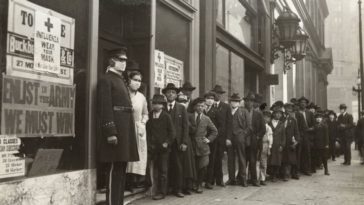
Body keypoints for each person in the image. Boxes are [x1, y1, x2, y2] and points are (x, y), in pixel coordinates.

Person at [97, 48, 139, 205]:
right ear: (111, 60)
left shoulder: (120, 80)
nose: (124, 63)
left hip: (125, 129)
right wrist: (110, 131)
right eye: (121, 60)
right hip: (116, 131)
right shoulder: (106, 79)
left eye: (125, 60)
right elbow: (105, 107)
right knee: (114, 170)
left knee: (121, 170)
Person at [162, 83, 190, 198]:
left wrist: (184, 142)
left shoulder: (181, 108)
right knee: (165, 166)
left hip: (178, 143)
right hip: (165, 143)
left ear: (176, 94)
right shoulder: (162, 107)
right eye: (168, 92)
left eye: (173, 92)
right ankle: (166, 189)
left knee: (178, 166)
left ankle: (177, 189)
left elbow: (185, 127)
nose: (171, 94)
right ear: (165, 94)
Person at [147, 94, 176, 200]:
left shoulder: (166, 116)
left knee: (163, 170)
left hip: (163, 149)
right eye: (154, 103)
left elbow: (172, 132)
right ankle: (150, 188)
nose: (155, 105)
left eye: (158, 103)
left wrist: (167, 143)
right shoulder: (150, 115)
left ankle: (162, 192)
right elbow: (148, 131)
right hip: (152, 147)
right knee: (149, 169)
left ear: (162, 105)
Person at [188, 97, 218, 193]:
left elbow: (215, 131)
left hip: (203, 147)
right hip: (192, 145)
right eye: (198, 106)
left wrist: (208, 139)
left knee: (203, 166)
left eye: (202, 106)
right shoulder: (189, 116)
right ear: (194, 107)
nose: (200, 108)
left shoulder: (206, 118)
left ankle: (199, 184)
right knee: (193, 166)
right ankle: (192, 184)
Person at [126, 70, 149, 191]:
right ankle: (125, 181)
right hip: (125, 128)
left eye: (139, 81)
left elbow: (146, 113)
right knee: (126, 153)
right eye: (135, 80)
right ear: (129, 80)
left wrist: (142, 123)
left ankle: (134, 180)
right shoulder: (123, 94)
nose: (137, 83)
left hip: (138, 128)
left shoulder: (141, 97)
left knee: (137, 155)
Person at [226, 93, 250, 187]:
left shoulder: (244, 112)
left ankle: (243, 179)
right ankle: (231, 179)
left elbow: (249, 127)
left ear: (239, 103)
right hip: (229, 138)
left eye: (236, 101)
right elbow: (226, 126)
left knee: (241, 158)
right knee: (230, 159)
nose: (234, 103)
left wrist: (243, 135)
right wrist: (227, 138)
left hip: (240, 138)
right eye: (233, 101)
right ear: (230, 102)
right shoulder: (228, 111)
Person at [243, 92, 266, 187]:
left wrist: (257, 137)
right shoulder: (241, 112)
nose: (249, 103)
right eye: (247, 101)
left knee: (253, 161)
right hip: (243, 140)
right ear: (245, 102)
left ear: (253, 103)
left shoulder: (258, 114)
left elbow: (263, 129)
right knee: (243, 160)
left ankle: (254, 180)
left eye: (251, 101)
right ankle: (243, 179)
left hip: (253, 141)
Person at [211, 85, 232, 187]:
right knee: (211, 158)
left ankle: (219, 180)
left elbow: (229, 123)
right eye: (216, 93)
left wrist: (228, 138)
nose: (217, 95)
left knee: (219, 158)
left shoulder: (226, 107)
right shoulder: (209, 105)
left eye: (219, 94)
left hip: (221, 137)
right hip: (210, 137)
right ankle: (210, 180)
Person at [203, 91, 219, 189]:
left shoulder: (216, 111)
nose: (210, 100)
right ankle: (200, 179)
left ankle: (209, 181)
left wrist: (211, 138)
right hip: (201, 138)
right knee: (201, 160)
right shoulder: (201, 109)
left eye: (212, 99)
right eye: (208, 98)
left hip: (212, 139)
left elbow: (219, 126)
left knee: (211, 160)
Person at [295, 97, 315, 175]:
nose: (303, 104)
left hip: (307, 135)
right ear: (299, 104)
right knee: (298, 152)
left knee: (307, 152)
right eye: (301, 102)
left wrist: (311, 129)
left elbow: (314, 125)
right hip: (299, 134)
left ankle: (307, 169)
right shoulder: (296, 113)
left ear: (306, 104)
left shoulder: (310, 113)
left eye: (304, 102)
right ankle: (297, 170)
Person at [282, 103, 300, 180]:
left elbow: (296, 132)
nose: (288, 110)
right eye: (286, 108)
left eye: (290, 109)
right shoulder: (281, 119)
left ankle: (290, 173)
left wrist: (296, 141)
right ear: (284, 109)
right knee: (283, 158)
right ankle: (284, 174)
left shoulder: (293, 120)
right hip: (282, 141)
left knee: (291, 158)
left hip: (290, 141)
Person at [268, 106, 286, 182]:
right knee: (270, 160)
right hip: (270, 144)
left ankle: (275, 175)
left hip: (278, 145)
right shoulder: (269, 122)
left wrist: (282, 145)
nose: (278, 115)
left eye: (280, 114)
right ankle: (270, 174)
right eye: (277, 113)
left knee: (277, 161)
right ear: (274, 114)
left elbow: (283, 136)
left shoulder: (281, 124)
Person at [258, 111, 273, 186]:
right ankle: (255, 177)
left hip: (265, 145)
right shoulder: (258, 126)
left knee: (263, 163)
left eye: (268, 117)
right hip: (258, 145)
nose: (266, 118)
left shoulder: (269, 128)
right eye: (264, 117)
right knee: (257, 162)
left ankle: (262, 178)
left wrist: (269, 148)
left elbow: (270, 138)